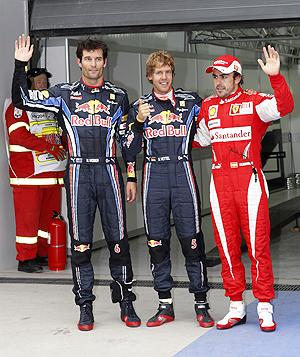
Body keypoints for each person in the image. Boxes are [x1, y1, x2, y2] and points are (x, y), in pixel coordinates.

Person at [12, 34, 140, 331]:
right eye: (88, 59)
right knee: (81, 246)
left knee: (119, 244)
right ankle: (85, 305)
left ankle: (126, 301)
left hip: (109, 173)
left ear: (105, 62)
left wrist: (131, 176)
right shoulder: (63, 94)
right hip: (79, 173)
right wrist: (21, 65)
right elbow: (23, 100)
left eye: (98, 59)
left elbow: (128, 142)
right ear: (79, 61)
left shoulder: (119, 96)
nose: (93, 64)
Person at [193, 46, 294, 332]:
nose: (218, 82)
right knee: (226, 248)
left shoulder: (255, 102)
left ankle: (264, 306)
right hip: (219, 181)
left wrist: (275, 78)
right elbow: (197, 140)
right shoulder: (208, 106)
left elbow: (285, 106)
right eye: (215, 76)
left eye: (224, 76)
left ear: (237, 77)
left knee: (257, 245)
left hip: (248, 180)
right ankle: (236, 305)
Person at [122, 50, 214, 328]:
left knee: (192, 241)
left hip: (183, 173)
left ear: (173, 74)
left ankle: (201, 303)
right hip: (154, 177)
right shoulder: (140, 106)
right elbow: (127, 149)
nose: (163, 77)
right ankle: (165, 305)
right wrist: (137, 121)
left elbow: (215, 117)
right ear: (149, 76)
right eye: (158, 72)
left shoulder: (190, 101)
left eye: (168, 72)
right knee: (157, 244)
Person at [5, 67, 67, 273]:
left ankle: (41, 253)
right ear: (28, 84)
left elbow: (61, 135)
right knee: (27, 221)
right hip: (28, 176)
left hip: (53, 175)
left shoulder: (51, 107)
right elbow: (18, 136)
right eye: (37, 81)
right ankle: (25, 259)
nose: (42, 84)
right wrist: (48, 147)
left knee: (46, 221)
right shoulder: (18, 106)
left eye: (44, 81)